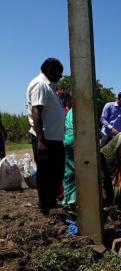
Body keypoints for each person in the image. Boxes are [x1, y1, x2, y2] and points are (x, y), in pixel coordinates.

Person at [27, 58, 65, 213]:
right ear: (50, 68)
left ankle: (51, 203)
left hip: (54, 139)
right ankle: (45, 206)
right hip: (45, 139)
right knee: (46, 174)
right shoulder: (40, 84)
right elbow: (36, 112)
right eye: (59, 73)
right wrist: (41, 141)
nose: (60, 76)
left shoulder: (50, 86)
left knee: (56, 172)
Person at [63, 108, 76, 207]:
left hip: (68, 140)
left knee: (69, 171)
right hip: (75, 140)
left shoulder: (70, 112)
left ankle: (68, 200)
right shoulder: (79, 111)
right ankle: (73, 200)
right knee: (77, 171)